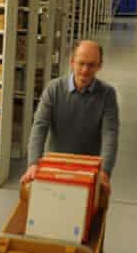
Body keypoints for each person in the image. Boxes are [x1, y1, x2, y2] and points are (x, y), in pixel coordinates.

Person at [21, 39, 119, 190]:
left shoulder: (107, 94)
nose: (85, 70)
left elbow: (110, 133)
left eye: (92, 65)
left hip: (88, 170)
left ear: (99, 66)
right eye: (81, 63)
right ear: (72, 62)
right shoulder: (53, 89)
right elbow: (39, 127)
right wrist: (33, 164)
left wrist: (105, 171)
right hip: (55, 165)